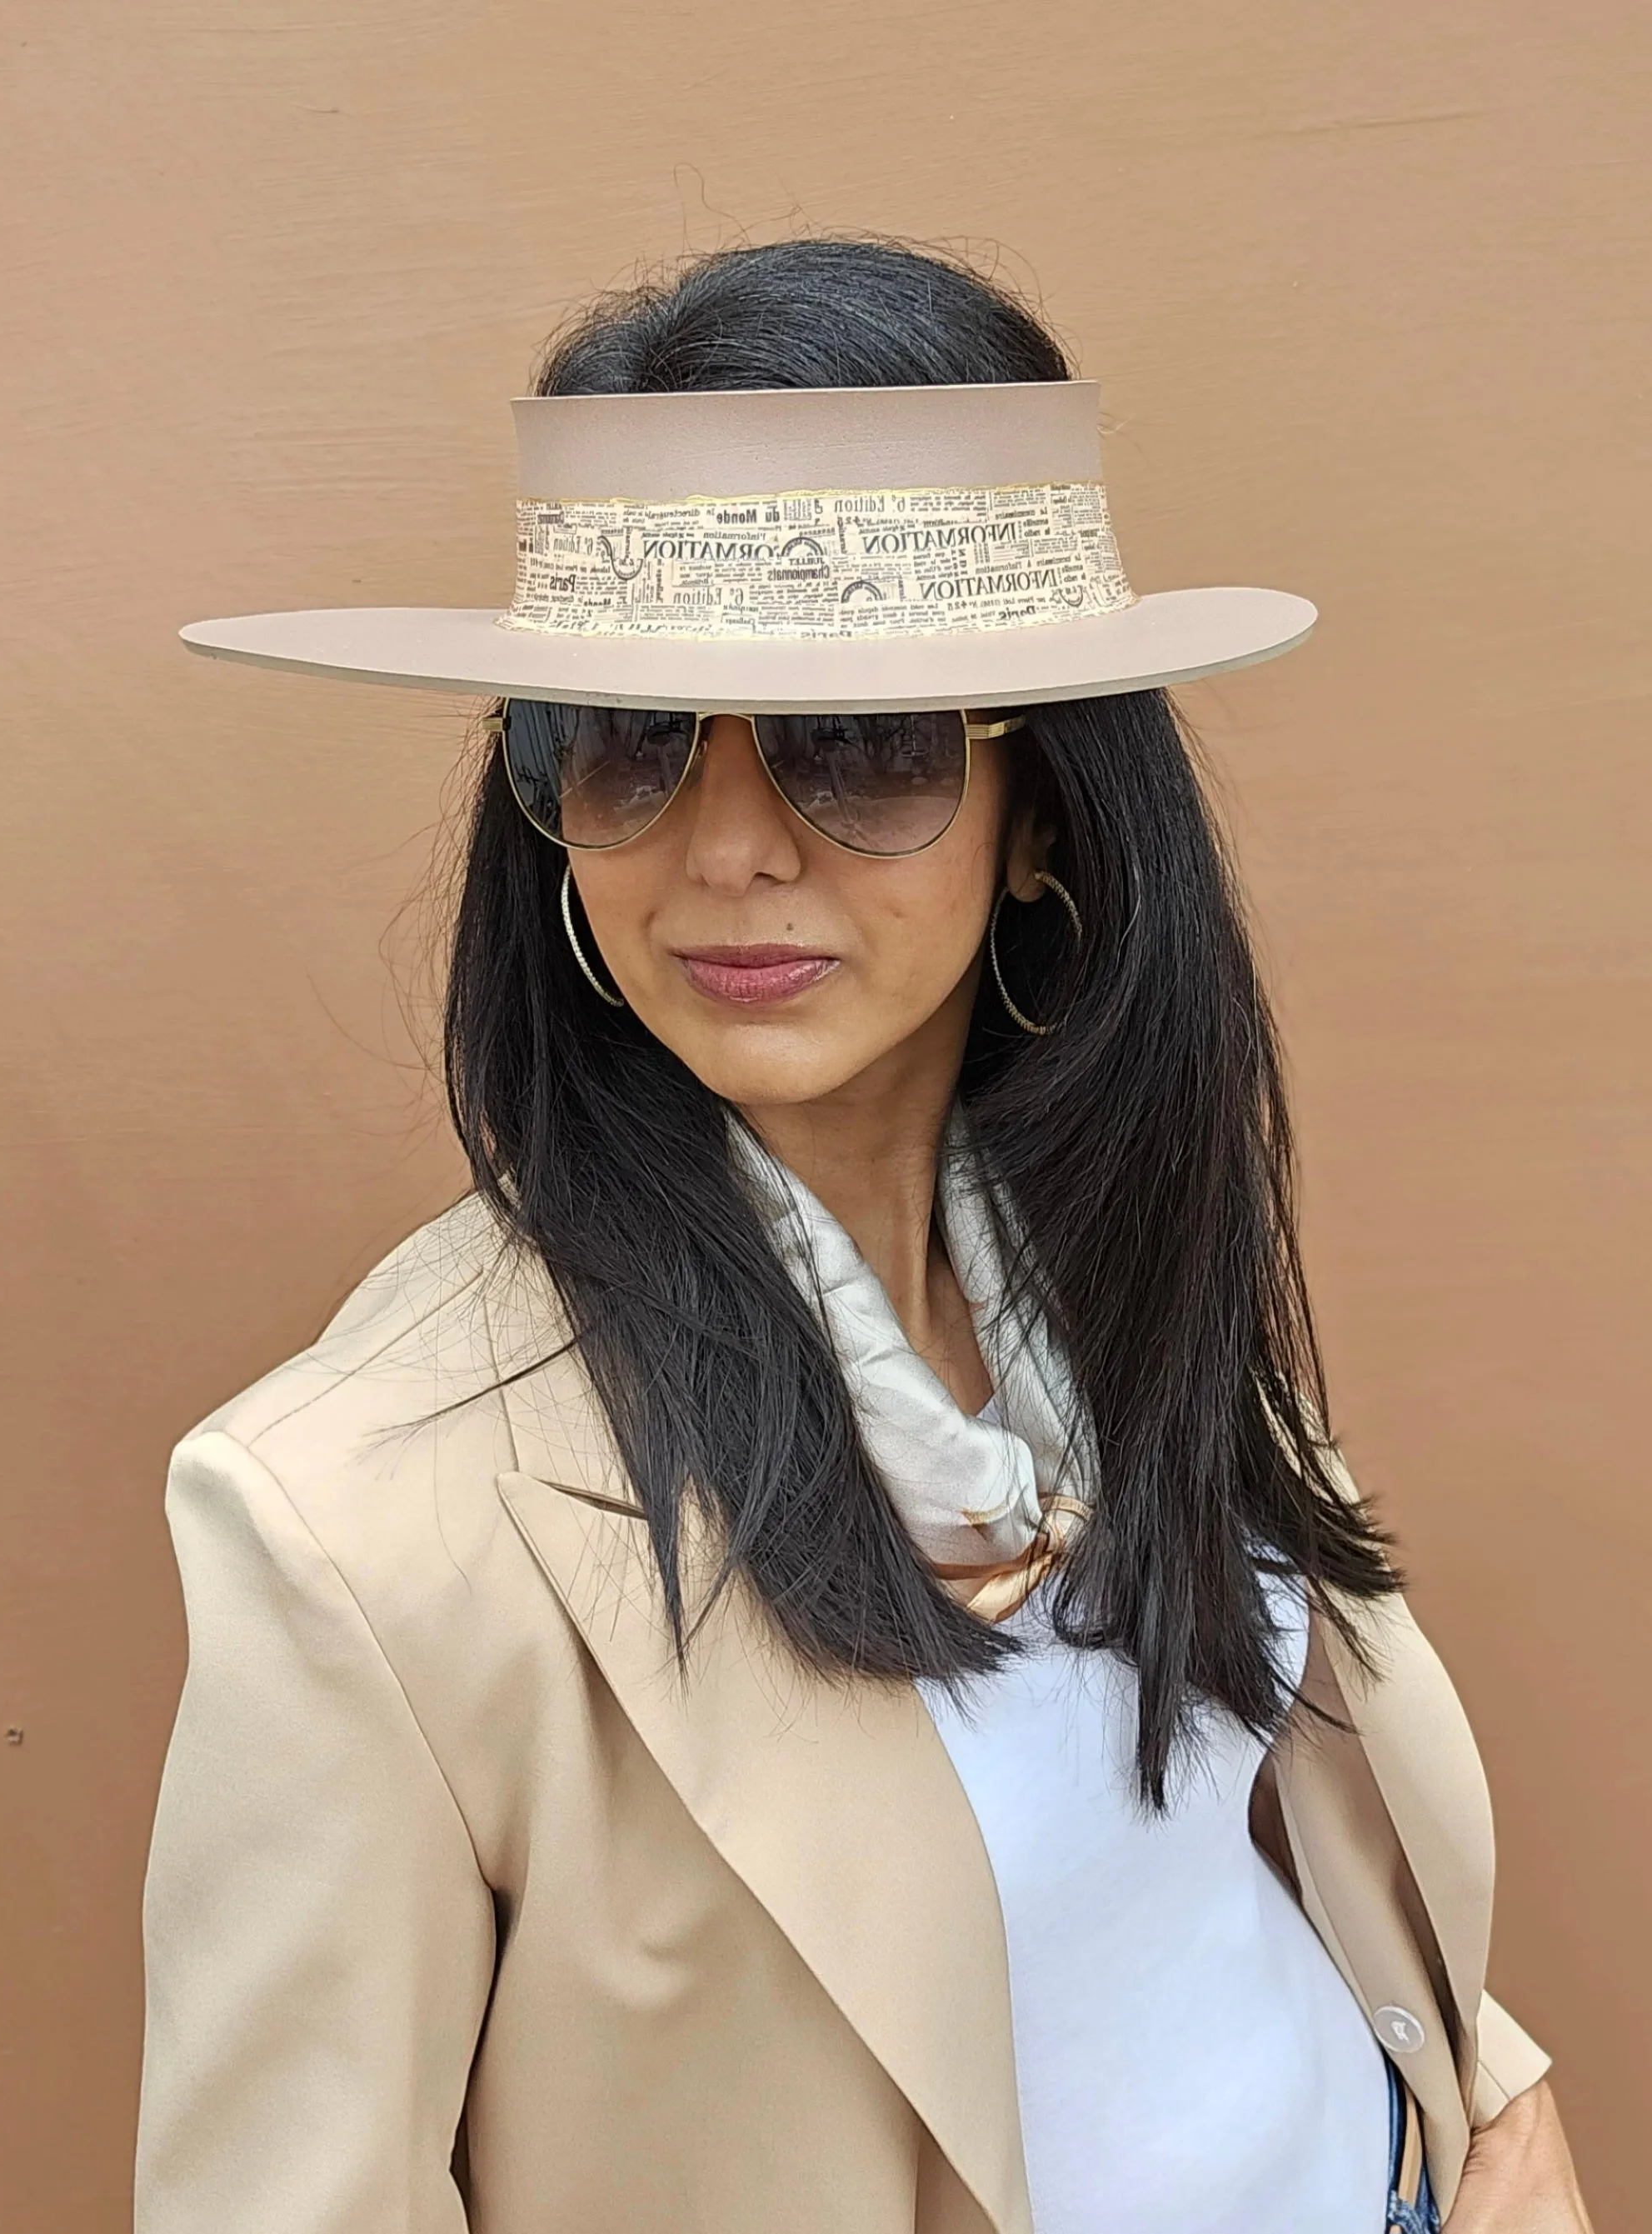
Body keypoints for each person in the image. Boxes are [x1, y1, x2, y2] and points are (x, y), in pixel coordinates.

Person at [139, 238, 1593, 2233]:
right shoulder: (358, 1524)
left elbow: (1251, 1830)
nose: (727, 844)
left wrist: (1493, 2107)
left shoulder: (1115, 1251)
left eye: (864, 741)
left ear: (1051, 813)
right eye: (627, 737)